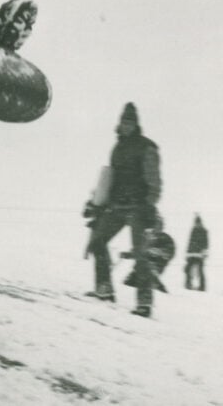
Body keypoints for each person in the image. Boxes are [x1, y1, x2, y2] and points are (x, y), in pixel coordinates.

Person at [84, 103, 162, 318]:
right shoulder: (117, 148)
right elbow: (109, 179)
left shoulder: (147, 147)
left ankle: (144, 303)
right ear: (120, 123)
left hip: (139, 207)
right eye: (124, 122)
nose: (126, 126)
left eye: (130, 122)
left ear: (136, 124)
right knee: (97, 242)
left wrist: (150, 205)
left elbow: (154, 180)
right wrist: (96, 203)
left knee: (141, 255)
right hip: (117, 205)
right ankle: (104, 289)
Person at [122, 214, 175, 293]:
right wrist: (128, 255)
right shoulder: (147, 237)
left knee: (149, 275)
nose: (156, 227)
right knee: (130, 282)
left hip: (156, 265)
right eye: (154, 224)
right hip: (140, 265)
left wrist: (157, 252)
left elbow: (169, 252)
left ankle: (161, 290)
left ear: (162, 226)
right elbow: (139, 251)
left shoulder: (165, 238)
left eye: (158, 224)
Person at [184, 214, 209, 291]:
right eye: (196, 223)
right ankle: (188, 284)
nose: (196, 224)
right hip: (192, 253)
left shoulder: (204, 231)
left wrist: (204, 253)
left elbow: (206, 243)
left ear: (200, 222)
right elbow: (190, 241)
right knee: (188, 269)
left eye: (197, 223)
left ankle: (202, 287)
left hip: (199, 254)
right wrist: (188, 252)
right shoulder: (193, 230)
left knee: (200, 270)